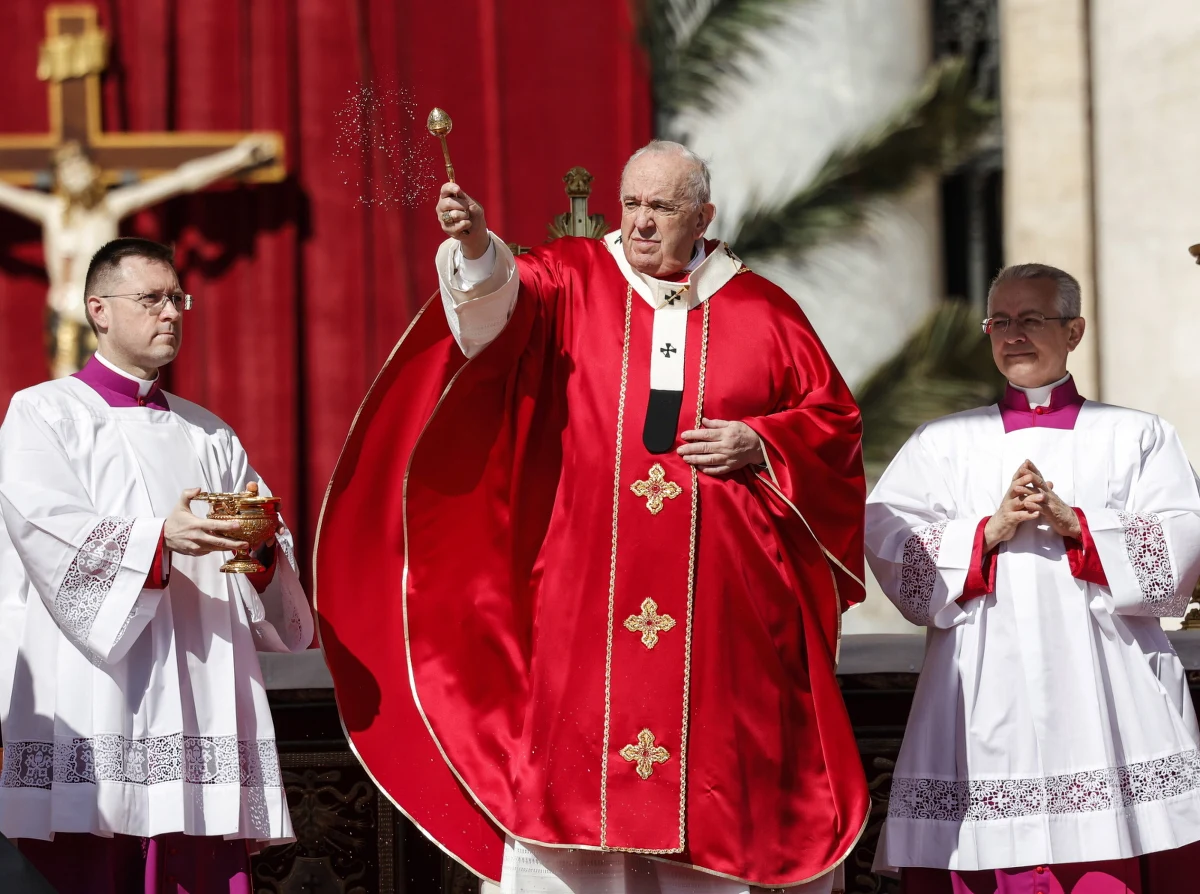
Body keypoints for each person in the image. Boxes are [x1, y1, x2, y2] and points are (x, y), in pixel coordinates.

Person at [316, 140, 869, 893]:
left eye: (663, 208)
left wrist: (760, 440)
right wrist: (477, 247)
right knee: (570, 800)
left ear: (703, 216)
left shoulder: (762, 309)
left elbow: (833, 423)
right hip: (588, 601)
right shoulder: (574, 278)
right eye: (633, 203)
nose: (641, 224)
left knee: (712, 813)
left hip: (721, 625)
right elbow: (499, 310)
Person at [865, 263, 1200, 893]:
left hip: (1107, 679)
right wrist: (983, 533)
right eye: (1001, 322)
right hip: (984, 683)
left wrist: (1078, 524)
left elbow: (1183, 537)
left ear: (1074, 330)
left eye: (1032, 320)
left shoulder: (1137, 435)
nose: (1013, 335)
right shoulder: (942, 442)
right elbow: (888, 536)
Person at [0, 237, 313, 893]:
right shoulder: (42, 414)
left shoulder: (211, 433)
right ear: (99, 310)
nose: (170, 312)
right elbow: (46, 534)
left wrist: (256, 547)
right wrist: (155, 541)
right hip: (96, 694)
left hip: (199, 689)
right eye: (151, 298)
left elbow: (264, 561)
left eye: (178, 298)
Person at [0, 136, 274, 378]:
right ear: (59, 176)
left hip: (105, 313)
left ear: (93, 171)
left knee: (108, 386)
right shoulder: (52, 212)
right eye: (67, 169)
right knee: (64, 389)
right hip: (66, 313)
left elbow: (179, 180)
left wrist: (237, 157)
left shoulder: (109, 208)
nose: (75, 175)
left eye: (79, 166)